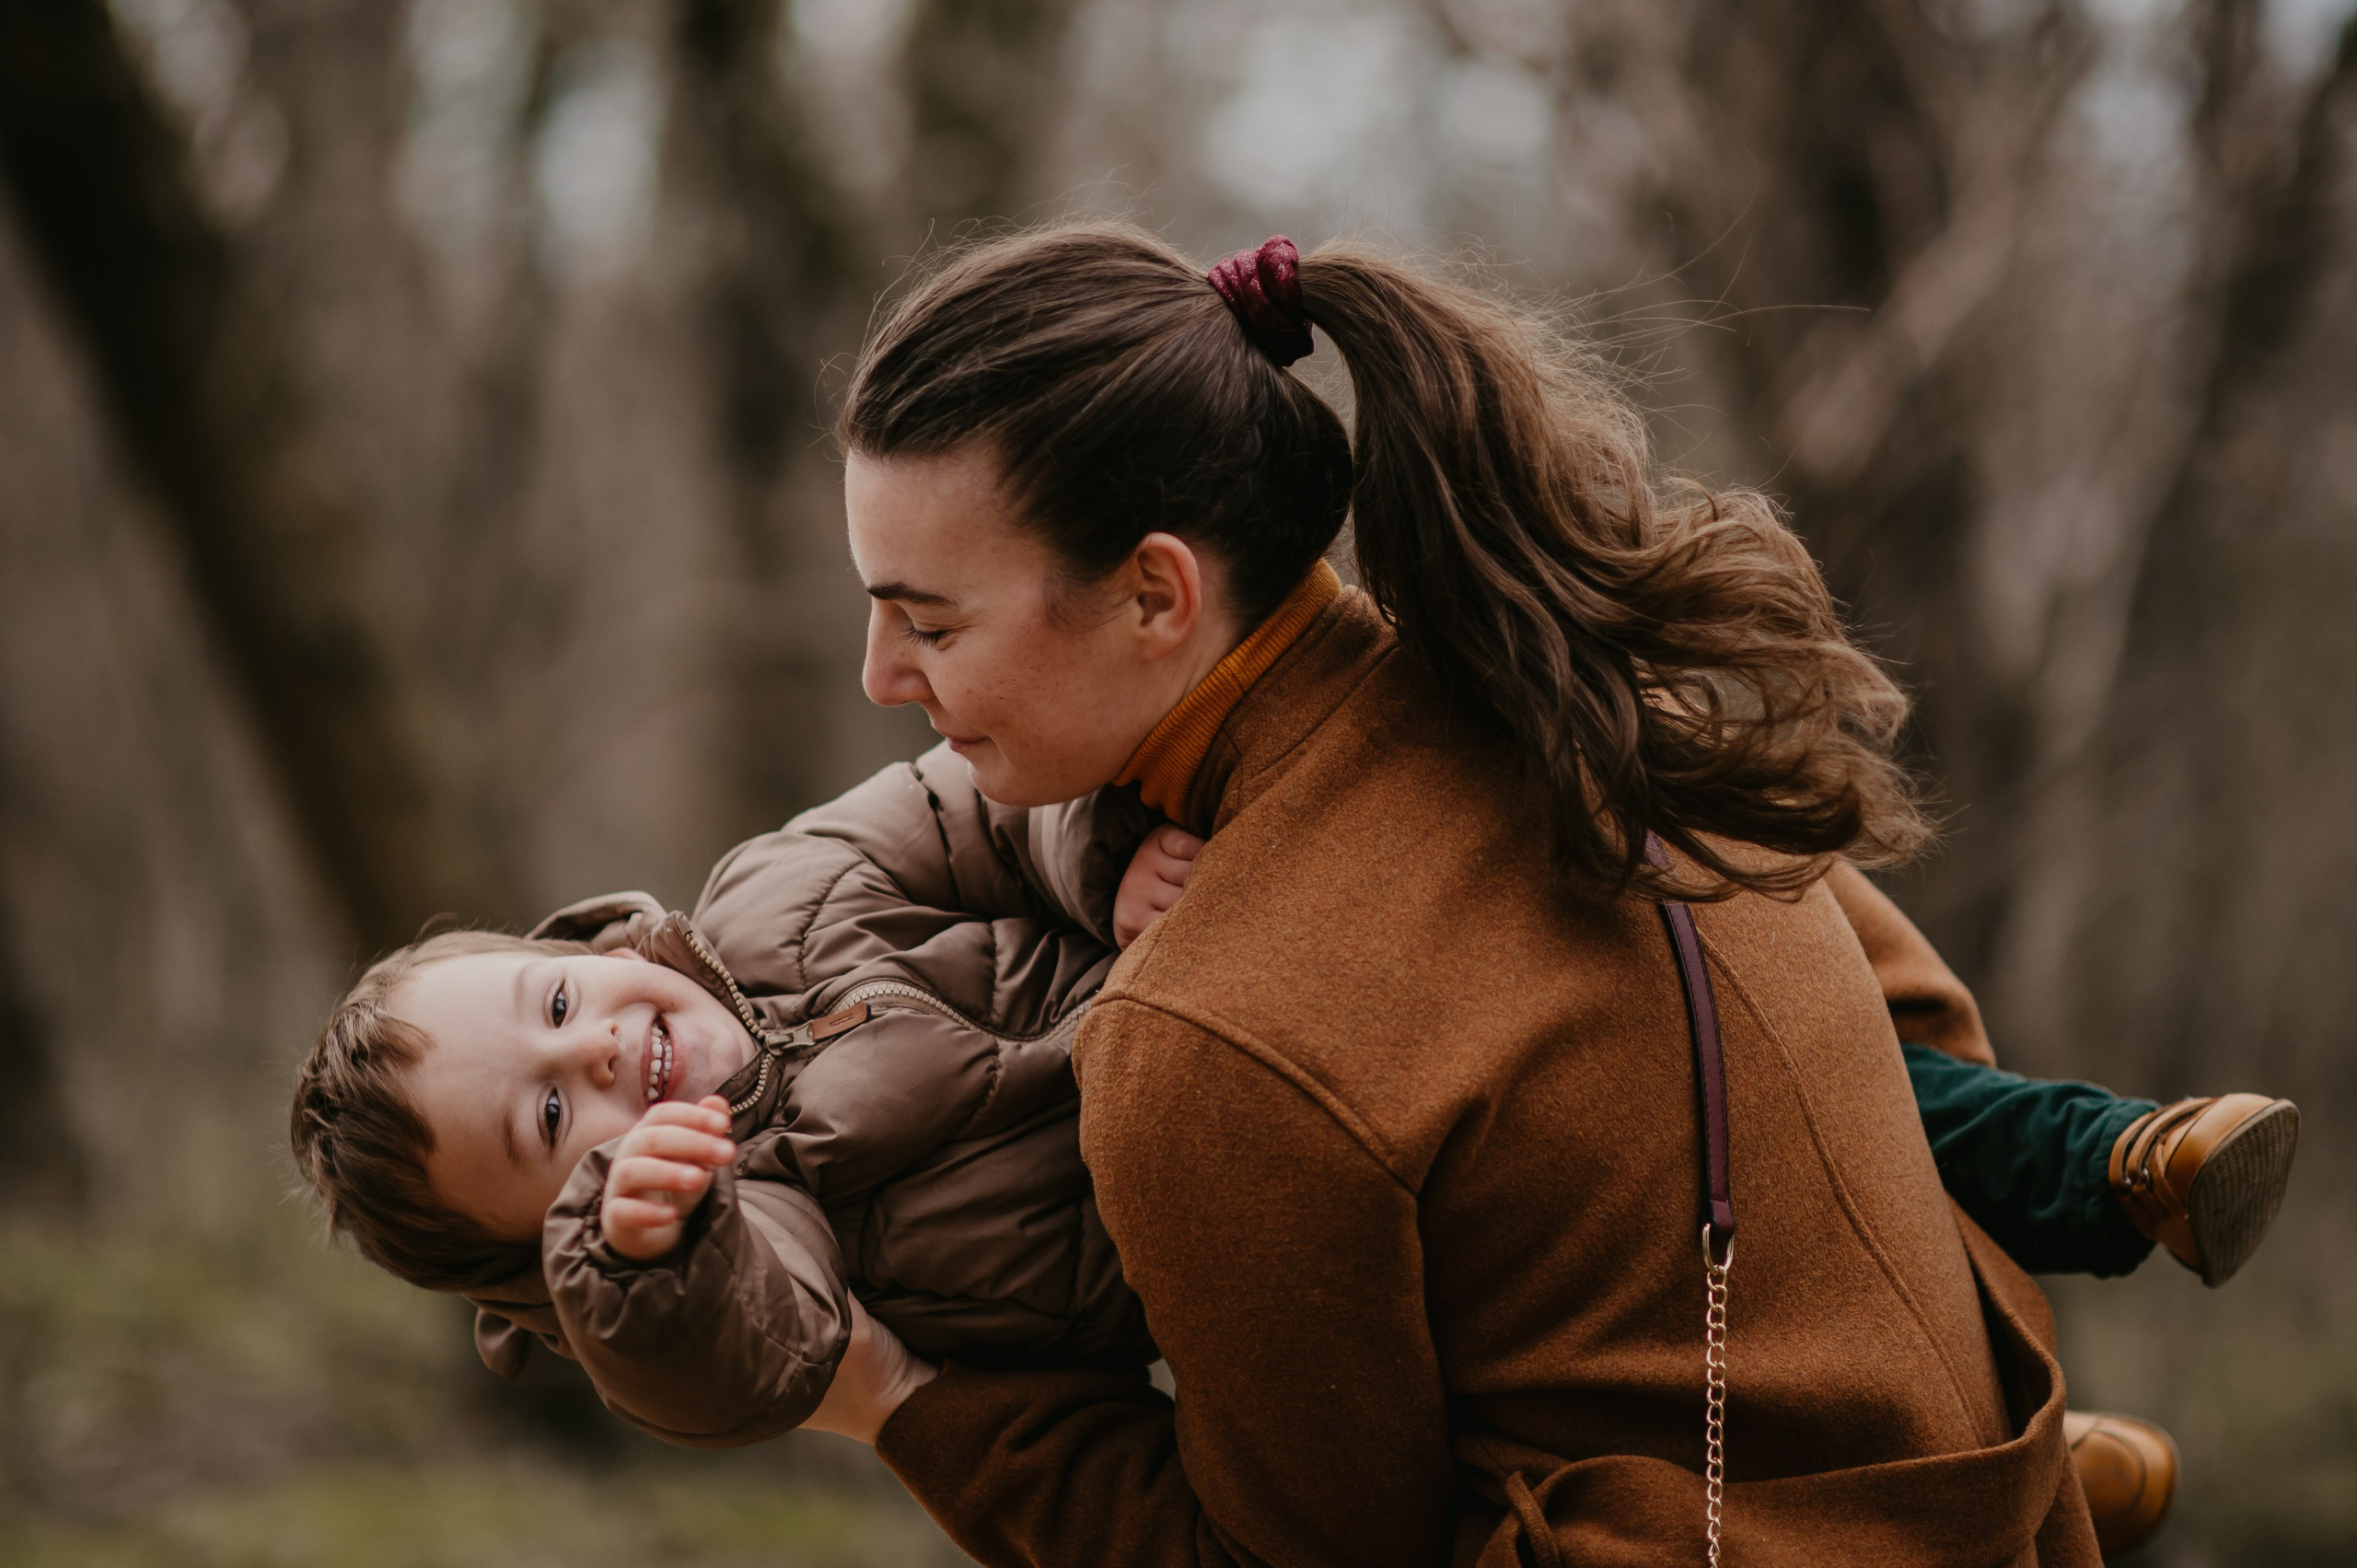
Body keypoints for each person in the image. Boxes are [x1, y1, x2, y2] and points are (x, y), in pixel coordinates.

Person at [796, 222, 2292, 1566]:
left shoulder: (1213, 1037)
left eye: (927, 620)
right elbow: (1917, 1045)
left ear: (1155, 596)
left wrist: (906, 1408)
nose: (882, 678)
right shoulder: (1592, 700)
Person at [285, 741, 2285, 1462]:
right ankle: (2028, 1485)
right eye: (546, 1125)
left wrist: (1099, 868)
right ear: (543, 1248)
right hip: (1308, 1257)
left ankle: (2104, 1159)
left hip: (1310, 1006)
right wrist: (646, 1249)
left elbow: (980, 800)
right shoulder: (767, 1233)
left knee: (1729, 1090)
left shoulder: (774, 893)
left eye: (556, 1002)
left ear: (588, 932)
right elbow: (750, 1364)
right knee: (1598, 1382)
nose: (597, 1056)